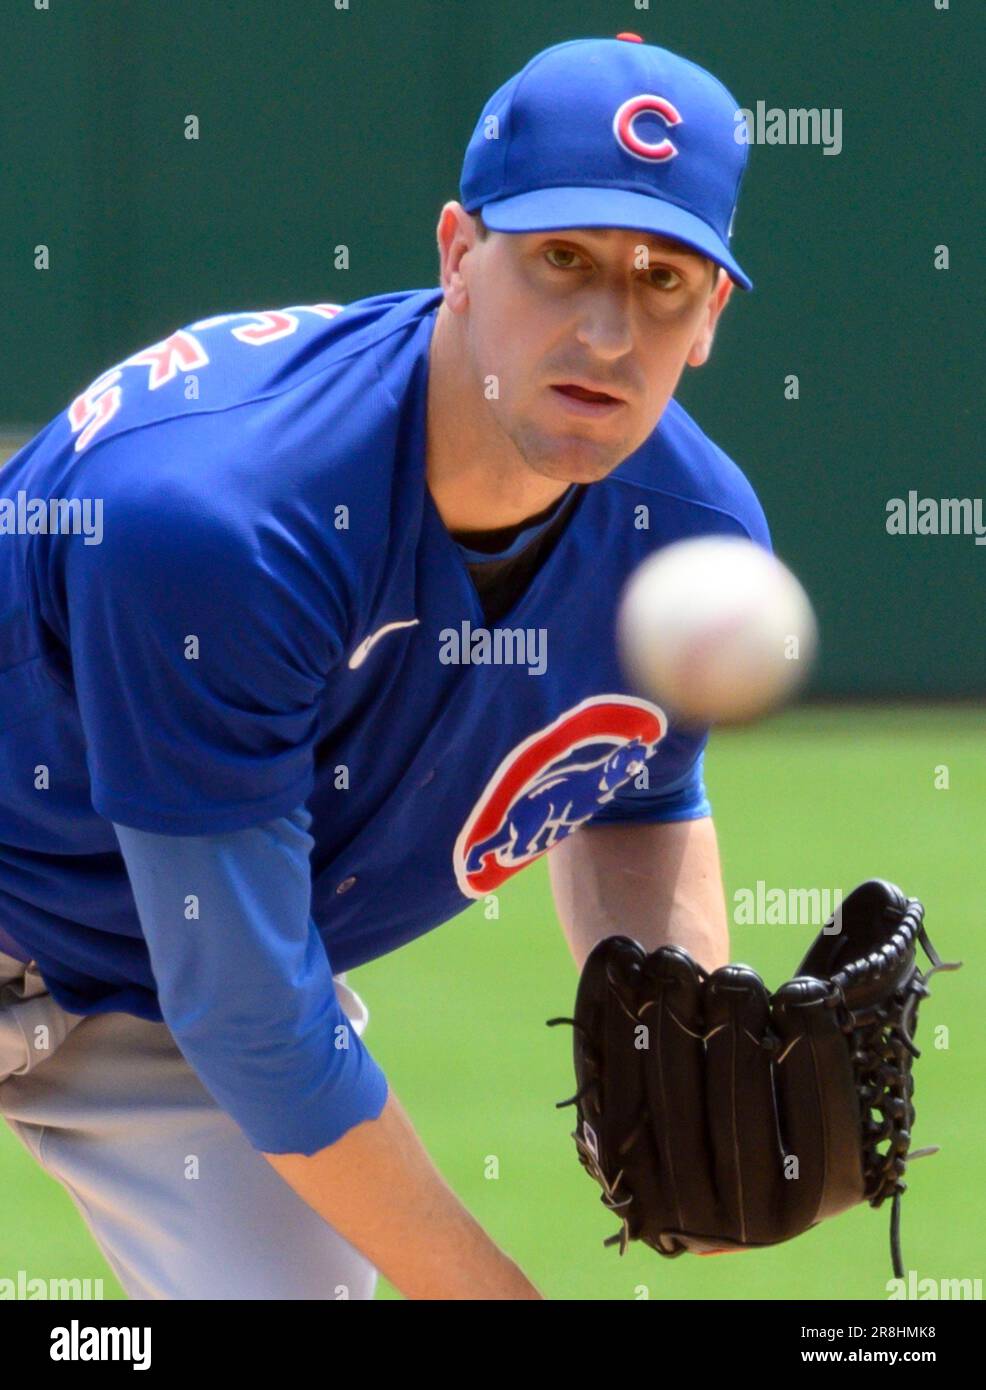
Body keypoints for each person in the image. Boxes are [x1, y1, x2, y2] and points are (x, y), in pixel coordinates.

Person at [0, 34, 768, 1300]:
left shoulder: (686, 545)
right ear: (458, 253)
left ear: (711, 318)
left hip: (155, 995)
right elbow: (252, 1017)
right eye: (560, 259)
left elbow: (634, 794)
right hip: (185, 976)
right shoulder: (226, 518)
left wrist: (673, 1052)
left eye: (662, 277)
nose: (605, 326)